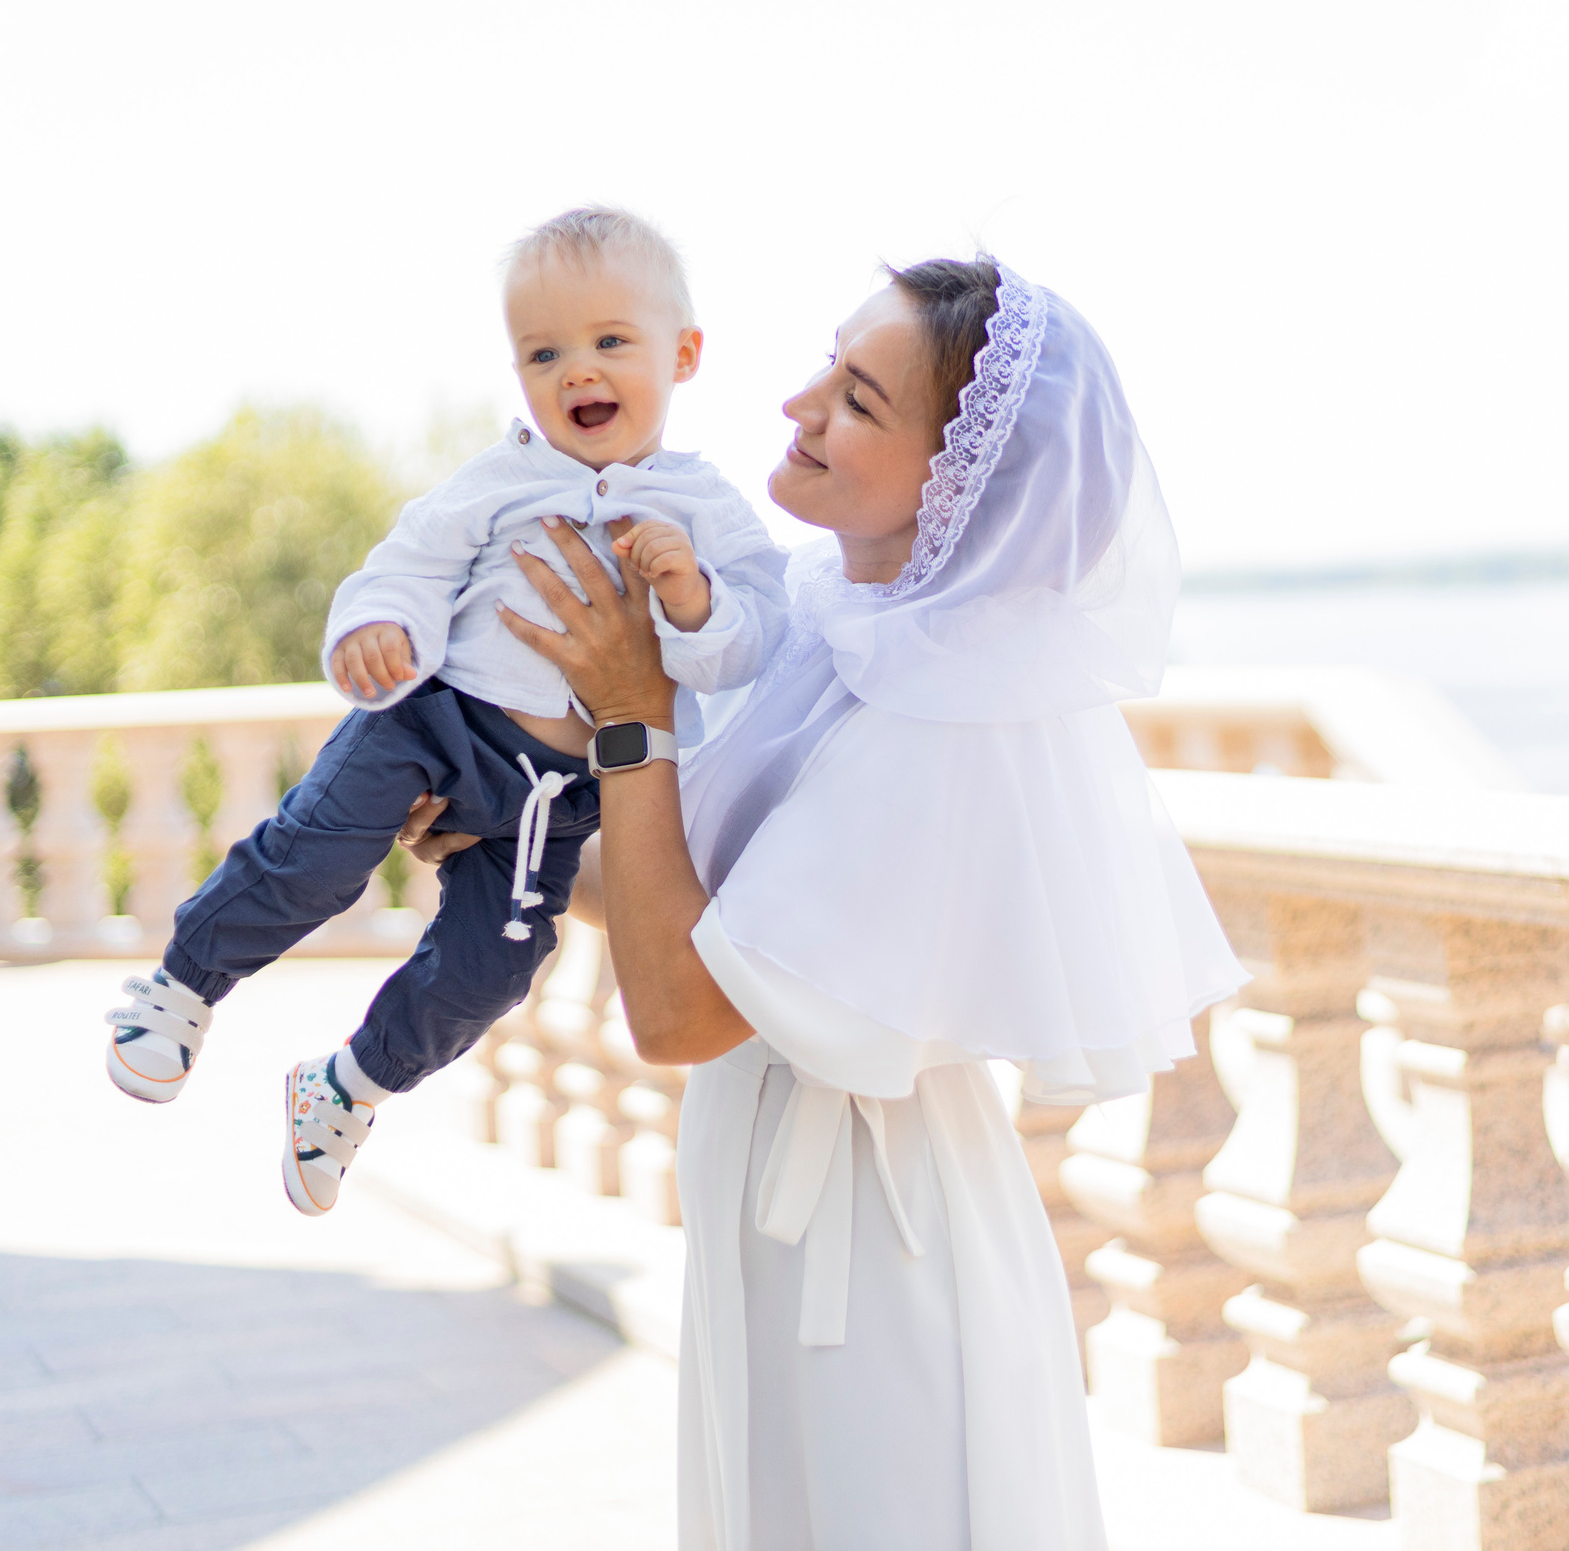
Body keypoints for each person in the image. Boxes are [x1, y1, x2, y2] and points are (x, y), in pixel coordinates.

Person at [485, 258, 1244, 1548]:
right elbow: (692, 906)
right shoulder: (832, 628)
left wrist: (630, 718)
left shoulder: (943, 720)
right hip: (784, 1207)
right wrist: (495, 832)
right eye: (826, 368)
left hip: (880, 1260)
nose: (796, 406)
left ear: (961, 487)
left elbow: (676, 1012)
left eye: (855, 400)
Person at [101, 205, 789, 1219]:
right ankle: (182, 985)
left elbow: (752, 644)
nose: (576, 371)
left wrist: (694, 600)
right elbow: (408, 568)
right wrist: (376, 631)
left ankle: (348, 1087)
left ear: (683, 354)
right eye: (542, 352)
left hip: (559, 801)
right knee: (318, 852)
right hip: (438, 725)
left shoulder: (708, 511)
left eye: (610, 342)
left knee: (496, 967)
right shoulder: (499, 480)